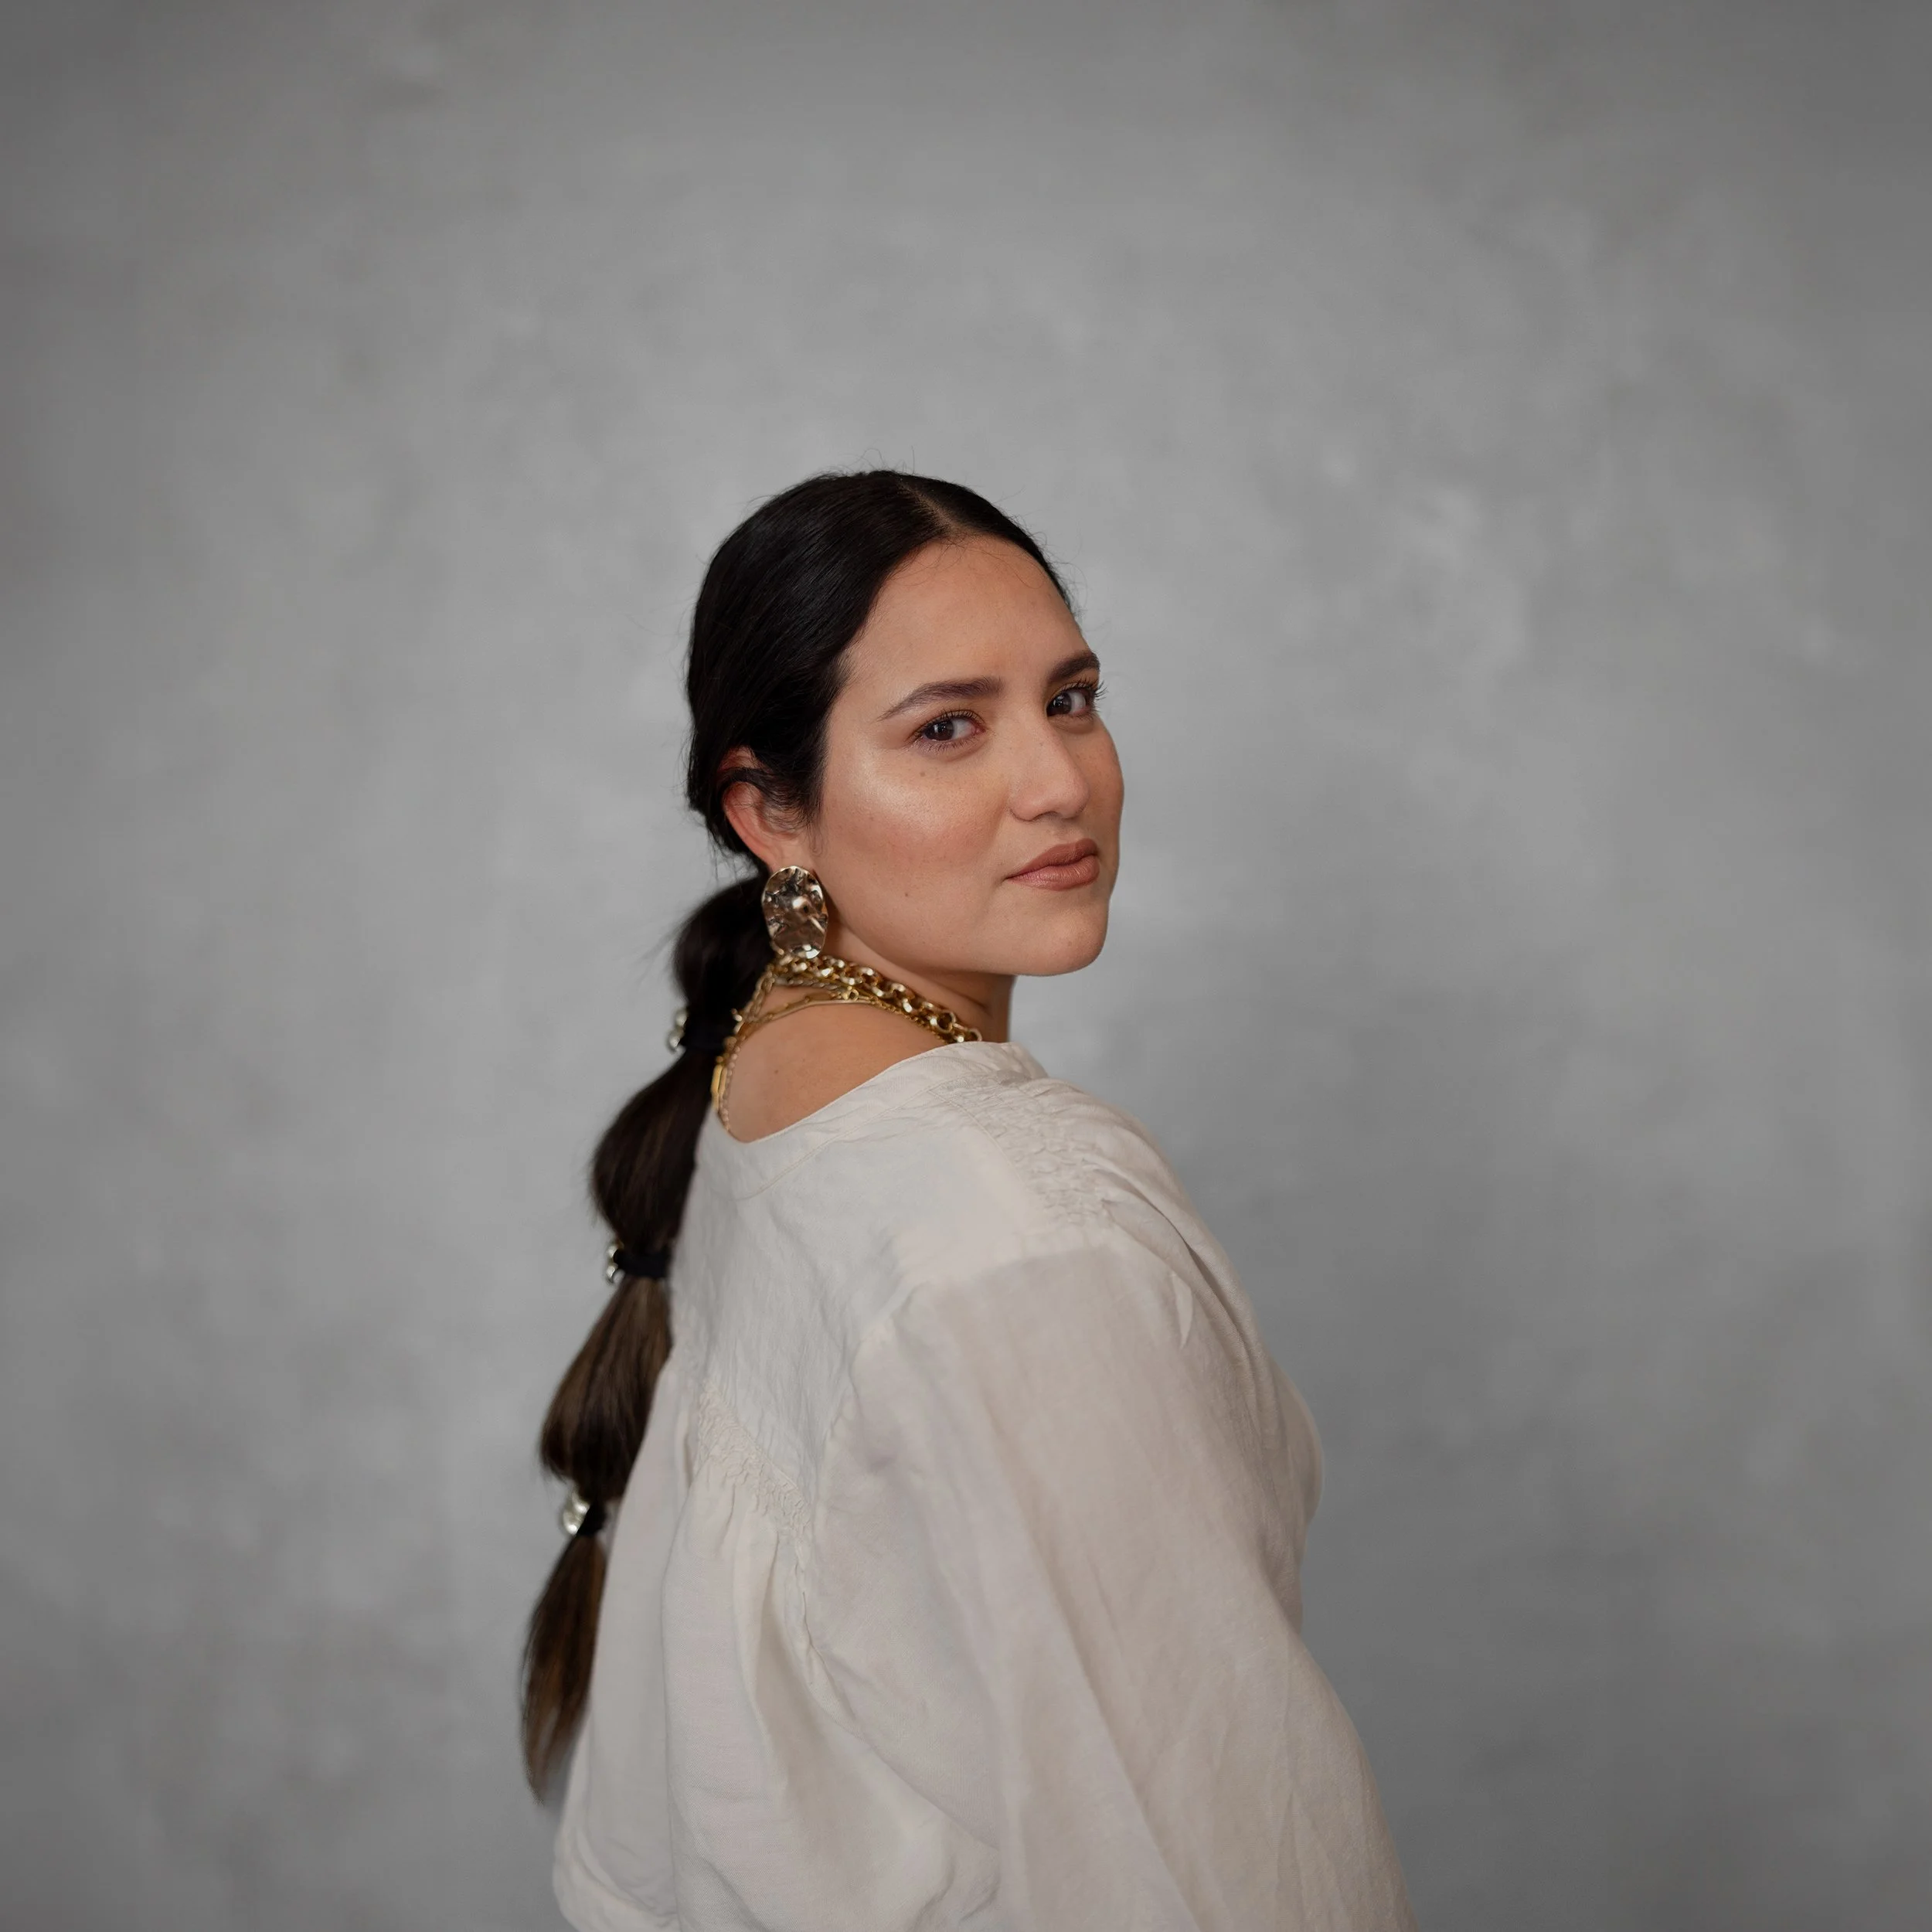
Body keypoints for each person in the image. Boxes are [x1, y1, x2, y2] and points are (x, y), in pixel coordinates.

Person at [522, 470, 1416, 1930]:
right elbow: (1218, 1860)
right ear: (772, 812)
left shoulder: (774, 1074)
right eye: (948, 727)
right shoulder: (1029, 1237)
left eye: (1072, 698)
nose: (1059, 781)